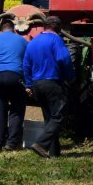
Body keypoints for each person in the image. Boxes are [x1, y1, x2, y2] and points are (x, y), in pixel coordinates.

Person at [22, 16, 76, 158]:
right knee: (59, 115)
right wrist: (69, 76)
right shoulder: (56, 39)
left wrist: (29, 84)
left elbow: (26, 65)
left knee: (49, 119)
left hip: (37, 84)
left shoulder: (32, 43)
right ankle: (41, 144)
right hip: (52, 82)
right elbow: (63, 58)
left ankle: (54, 154)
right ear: (57, 27)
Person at [0, 19, 27, 151]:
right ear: (14, 30)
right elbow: (28, 60)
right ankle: (11, 143)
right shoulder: (22, 40)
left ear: (1, 30)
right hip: (15, 76)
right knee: (16, 109)